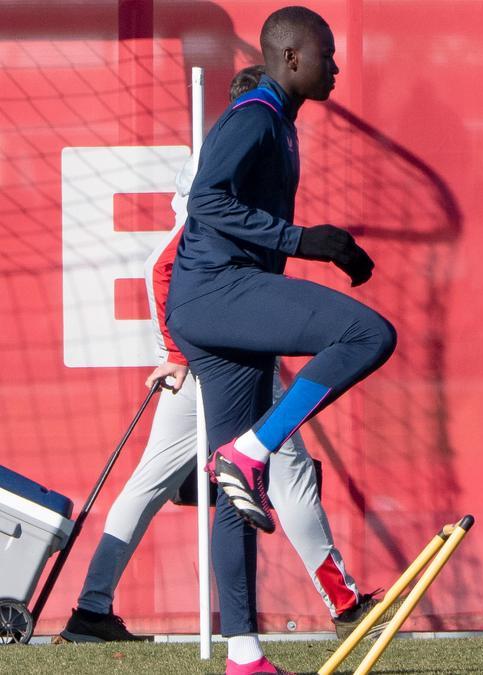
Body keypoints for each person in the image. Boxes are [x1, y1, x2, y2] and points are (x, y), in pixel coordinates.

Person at [59, 65, 395, 648]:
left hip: (216, 348)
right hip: (205, 358)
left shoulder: (240, 180)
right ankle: (342, 602)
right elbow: (161, 267)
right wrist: (176, 351)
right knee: (279, 469)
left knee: (164, 479)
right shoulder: (216, 188)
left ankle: (93, 607)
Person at [166, 8, 396, 674]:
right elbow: (206, 199)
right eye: (327, 54)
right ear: (291, 58)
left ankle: (244, 656)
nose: (337, 66)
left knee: (241, 490)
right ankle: (252, 449)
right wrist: (303, 241)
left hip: (215, 302)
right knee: (367, 331)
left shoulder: (277, 120)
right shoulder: (256, 117)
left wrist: (327, 249)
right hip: (216, 294)